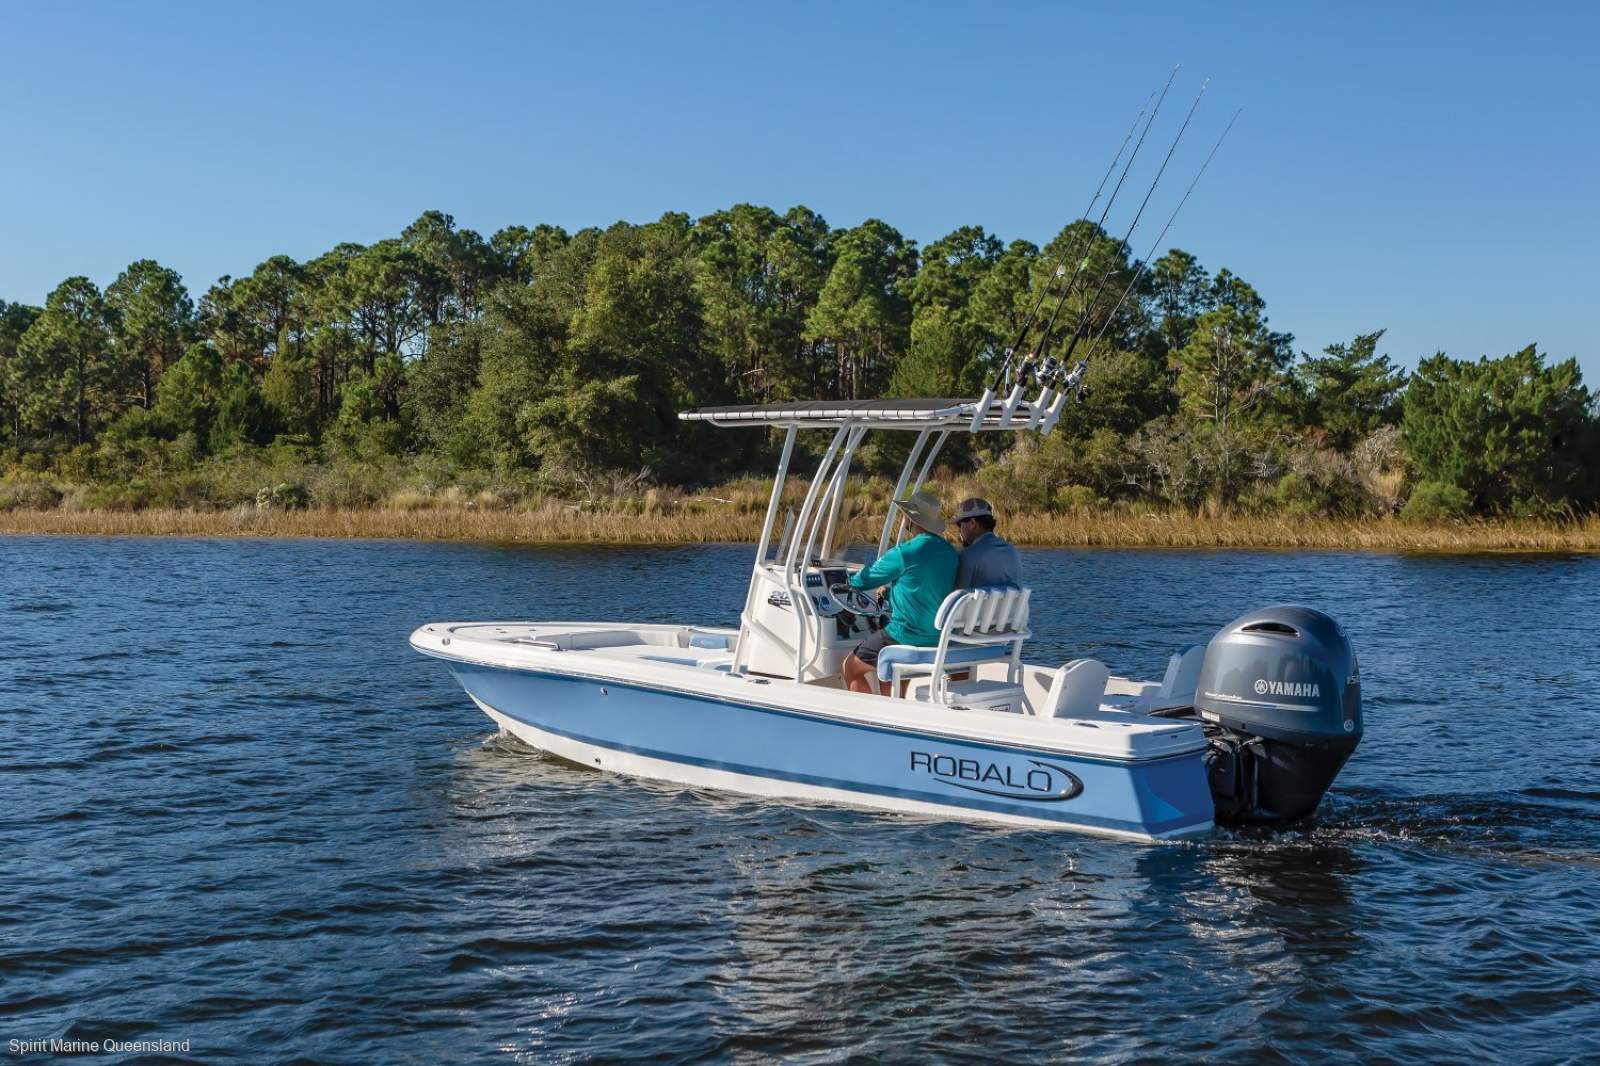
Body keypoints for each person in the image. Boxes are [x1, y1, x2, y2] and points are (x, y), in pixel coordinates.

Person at [840, 491, 958, 696]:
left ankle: (865, 719)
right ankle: (892, 708)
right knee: (887, 670)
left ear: (910, 519)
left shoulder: (905, 552)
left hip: (905, 635)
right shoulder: (950, 552)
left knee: (850, 667)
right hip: (938, 637)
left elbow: (864, 579)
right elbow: (924, 586)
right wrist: (890, 592)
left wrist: (847, 583)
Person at [952, 497, 1023, 589]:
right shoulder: (1012, 552)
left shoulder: (968, 555)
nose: (959, 531)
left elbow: (958, 595)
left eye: (960, 525)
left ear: (973, 524)